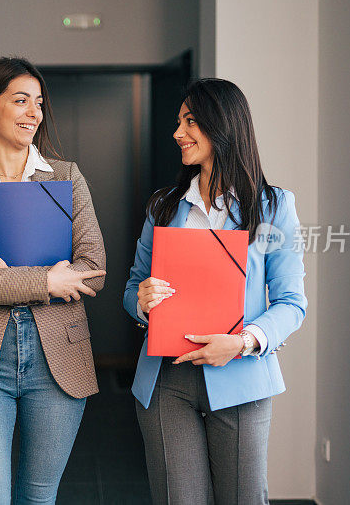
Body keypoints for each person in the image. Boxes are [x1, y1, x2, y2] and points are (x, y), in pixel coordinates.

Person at [123, 78, 307, 504]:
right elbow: (132, 285)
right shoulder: (164, 206)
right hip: (167, 381)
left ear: (222, 126)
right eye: (178, 122)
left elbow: (291, 303)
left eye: (190, 122)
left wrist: (242, 342)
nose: (177, 133)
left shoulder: (273, 206)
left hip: (240, 378)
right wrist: (141, 300)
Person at [0, 57, 106, 504]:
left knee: (38, 496)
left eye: (38, 102)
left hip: (58, 358)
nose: (34, 112)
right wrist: (47, 281)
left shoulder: (66, 177)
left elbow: (93, 269)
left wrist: (7, 276)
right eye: (20, 100)